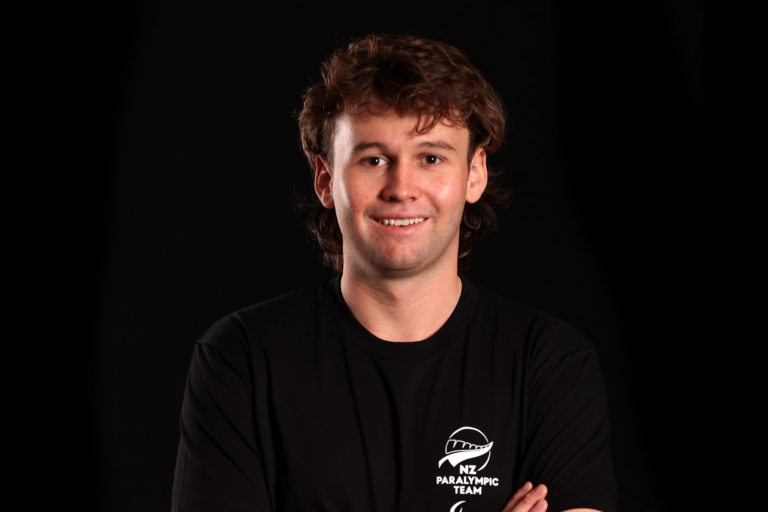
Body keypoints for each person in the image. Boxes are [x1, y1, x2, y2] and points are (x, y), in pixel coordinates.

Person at [171, 34, 617, 512]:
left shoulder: (550, 364)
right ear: (325, 180)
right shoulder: (241, 359)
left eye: (431, 158)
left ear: (475, 174)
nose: (402, 188)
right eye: (373, 159)